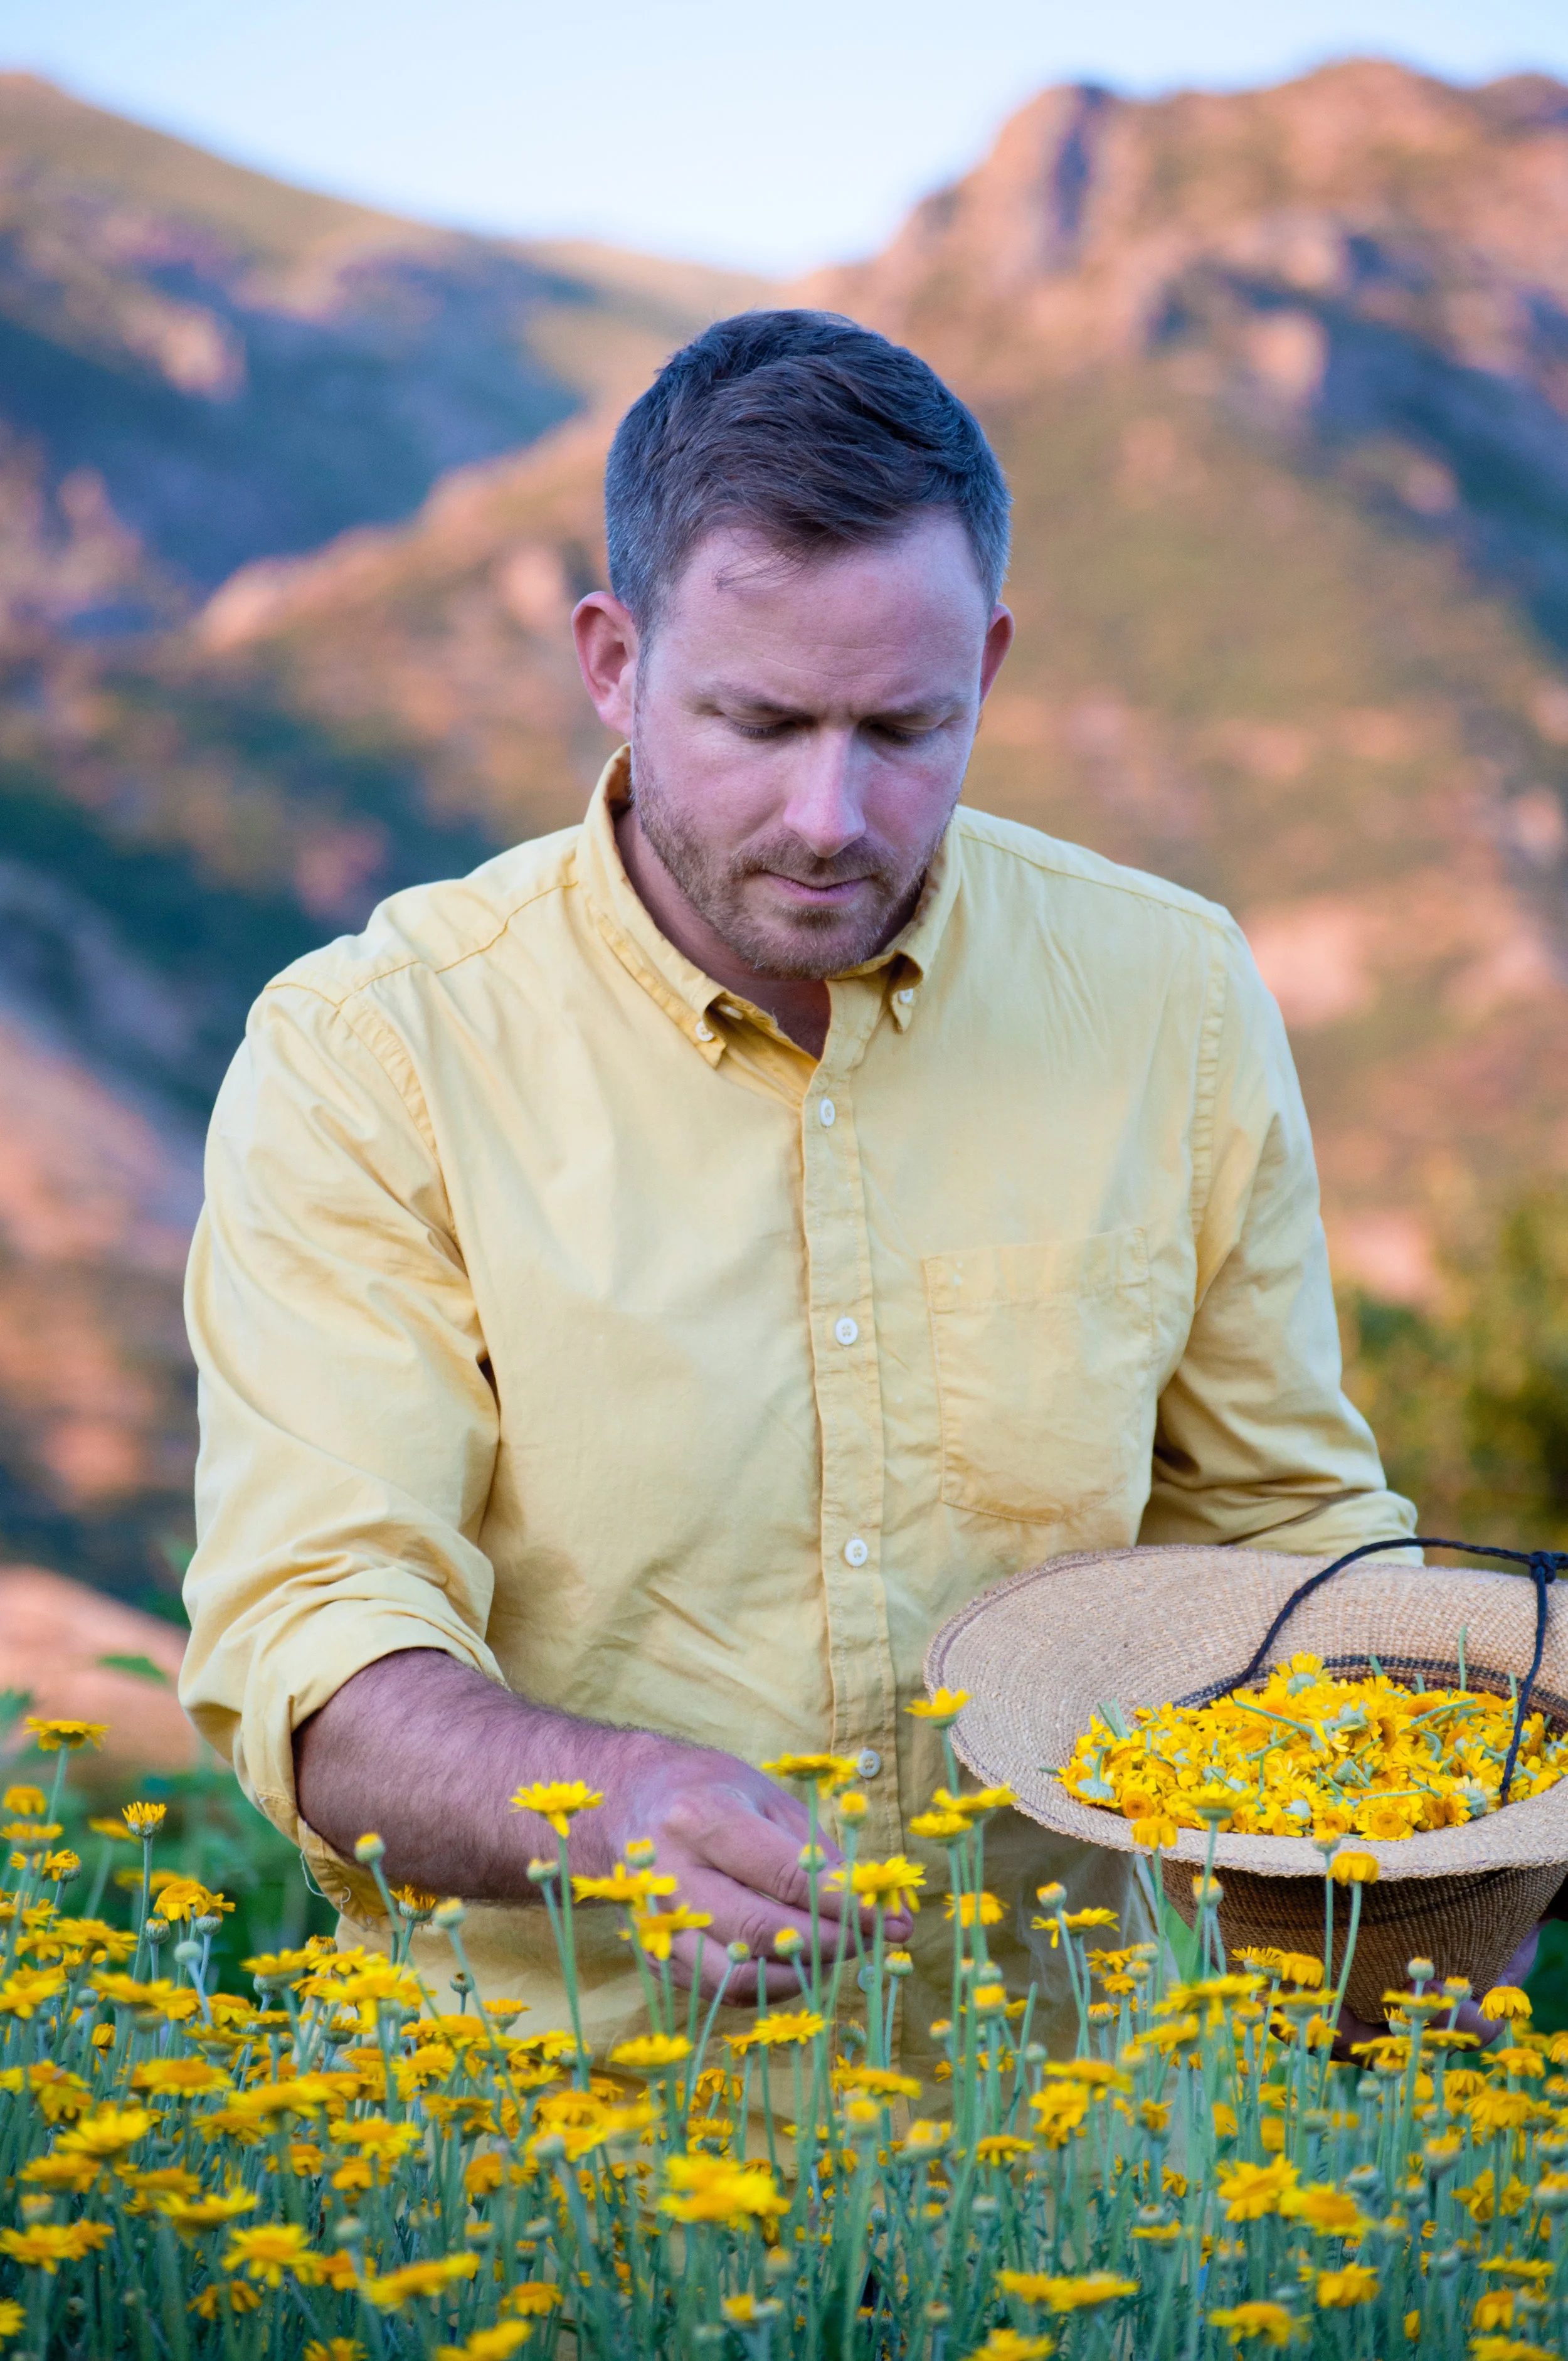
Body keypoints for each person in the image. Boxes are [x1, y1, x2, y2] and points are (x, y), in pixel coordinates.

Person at [179, 309, 1416, 2059]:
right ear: (612, 661)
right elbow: (312, 1648)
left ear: (986, 664)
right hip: (538, 2197)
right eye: (757, 722)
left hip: (1094, 2169)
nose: (831, 811)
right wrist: (601, 1806)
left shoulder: (1172, 996)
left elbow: (1283, 1539)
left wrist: (1447, 1798)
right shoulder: (373, 1053)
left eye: (902, 725)